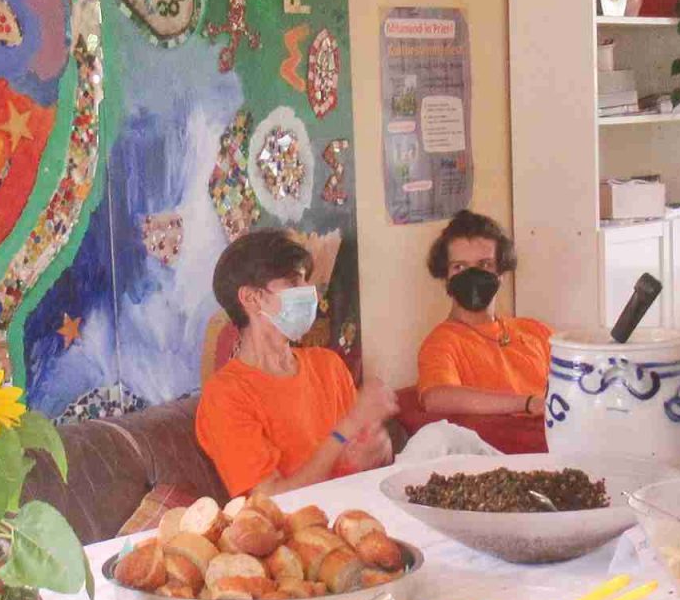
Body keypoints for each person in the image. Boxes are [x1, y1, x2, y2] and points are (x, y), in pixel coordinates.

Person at [194, 229, 396, 496]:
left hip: (361, 505)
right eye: (292, 282)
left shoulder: (328, 365)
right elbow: (273, 499)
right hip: (302, 520)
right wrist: (346, 428)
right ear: (251, 298)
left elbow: (363, 454)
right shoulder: (225, 395)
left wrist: (380, 449)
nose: (311, 294)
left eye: (305, 280)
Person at [415, 210, 552, 420]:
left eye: (484, 264)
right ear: (446, 277)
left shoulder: (535, 330)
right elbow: (436, 398)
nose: (472, 275)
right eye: (459, 266)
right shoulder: (442, 343)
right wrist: (528, 403)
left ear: (501, 273)